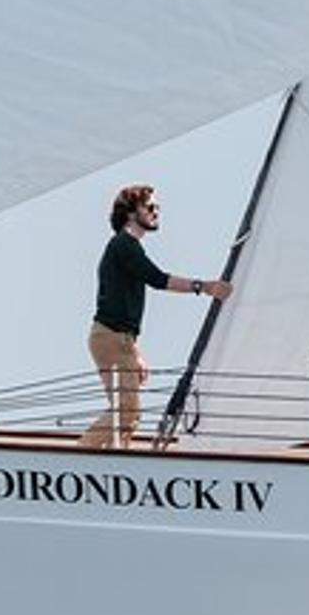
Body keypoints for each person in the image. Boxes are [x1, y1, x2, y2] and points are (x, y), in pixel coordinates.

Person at [82, 183, 233, 448]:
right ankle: (81, 457)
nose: (155, 213)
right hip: (111, 338)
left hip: (116, 338)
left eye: (157, 208)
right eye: (150, 207)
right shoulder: (124, 245)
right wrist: (204, 287)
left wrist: (135, 351)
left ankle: (111, 463)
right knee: (126, 411)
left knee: (127, 415)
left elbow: (122, 303)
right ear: (131, 213)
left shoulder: (126, 247)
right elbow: (157, 279)